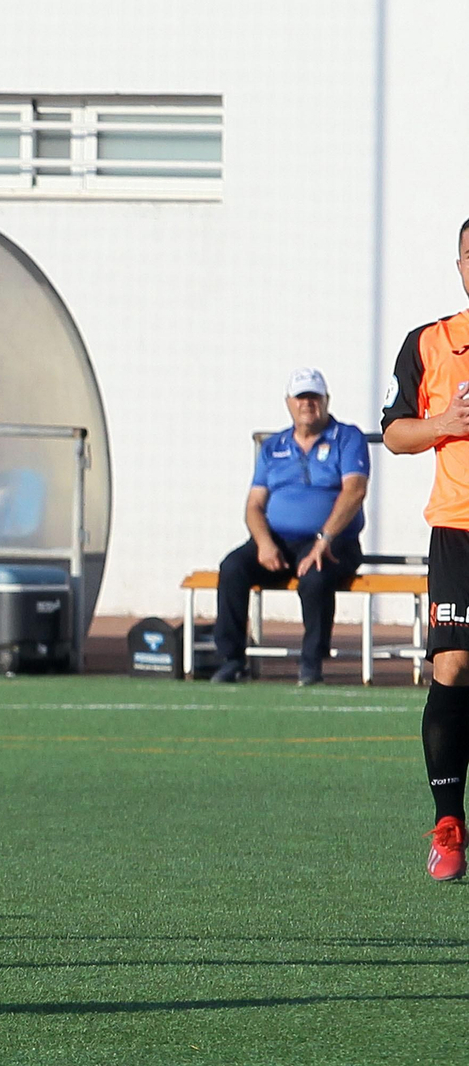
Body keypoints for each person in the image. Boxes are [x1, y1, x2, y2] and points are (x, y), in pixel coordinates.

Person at [380, 218, 469, 881]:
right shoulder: (430, 342)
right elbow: (394, 433)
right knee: (454, 666)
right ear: (460, 265)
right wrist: (444, 423)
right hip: (458, 530)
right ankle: (448, 824)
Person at [211, 367, 368, 686]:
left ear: (326, 400)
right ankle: (231, 659)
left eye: (314, 397)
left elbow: (354, 490)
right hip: (279, 541)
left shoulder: (347, 437)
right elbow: (254, 505)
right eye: (301, 397)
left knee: (315, 577)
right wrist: (264, 542)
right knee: (232, 568)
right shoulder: (274, 446)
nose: (307, 404)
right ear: (288, 403)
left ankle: (311, 663)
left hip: (334, 540)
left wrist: (323, 541)